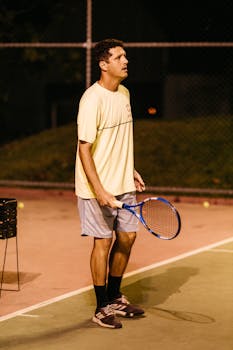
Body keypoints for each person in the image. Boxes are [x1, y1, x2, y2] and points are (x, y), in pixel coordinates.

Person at [75, 38, 145, 329]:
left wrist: (131, 169)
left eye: (125, 56)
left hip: (123, 182)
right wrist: (100, 190)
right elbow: (84, 148)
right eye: (118, 57)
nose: (125, 61)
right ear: (104, 64)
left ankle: (116, 296)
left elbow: (117, 141)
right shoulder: (92, 100)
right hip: (95, 187)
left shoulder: (124, 93)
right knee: (102, 242)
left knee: (128, 238)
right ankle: (101, 306)